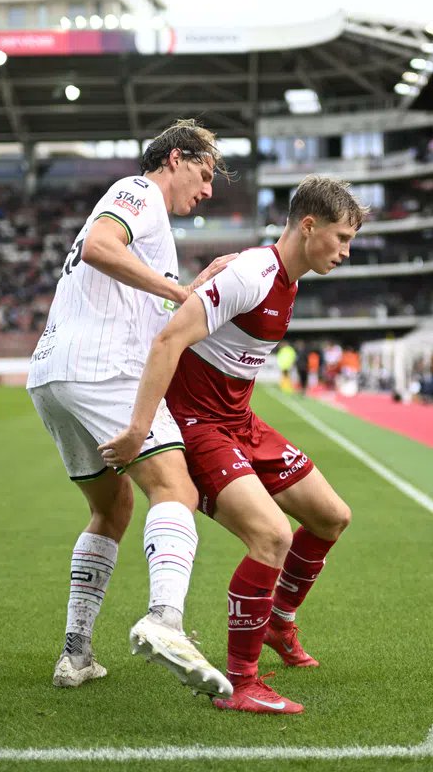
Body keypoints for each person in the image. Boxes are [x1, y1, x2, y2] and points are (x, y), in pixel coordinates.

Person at [100, 175, 367, 714]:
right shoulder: (252, 274)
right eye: (341, 238)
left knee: (331, 517)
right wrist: (140, 429)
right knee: (271, 536)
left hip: (239, 421)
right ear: (308, 225)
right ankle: (242, 684)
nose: (345, 251)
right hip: (199, 426)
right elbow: (168, 339)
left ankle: (278, 624)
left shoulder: (287, 279)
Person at [25, 119, 235, 697]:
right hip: (101, 367)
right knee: (176, 489)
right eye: (204, 174)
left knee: (111, 508)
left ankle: (76, 653)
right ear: (175, 158)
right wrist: (178, 290)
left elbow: (145, 305)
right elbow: (99, 247)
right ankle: (165, 619)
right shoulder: (138, 191)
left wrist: (190, 285)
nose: (208, 190)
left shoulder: (153, 229)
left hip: (52, 376)